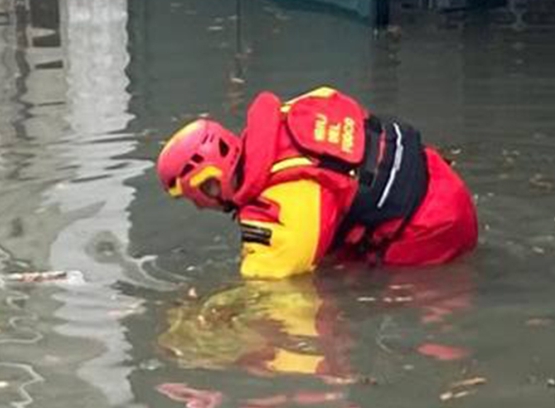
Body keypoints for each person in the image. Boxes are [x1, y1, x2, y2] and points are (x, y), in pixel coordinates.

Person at [156, 87, 480, 279]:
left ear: (207, 184)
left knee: (346, 284)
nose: (198, 207)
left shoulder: (277, 214)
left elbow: (267, 294)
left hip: (432, 232)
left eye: (192, 198)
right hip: (441, 179)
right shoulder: (293, 112)